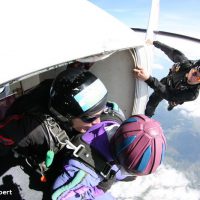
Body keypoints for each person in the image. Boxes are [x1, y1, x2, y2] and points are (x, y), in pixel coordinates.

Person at [0, 64, 125, 181]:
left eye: (101, 113)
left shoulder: (62, 90)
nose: (97, 122)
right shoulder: (31, 129)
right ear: (65, 116)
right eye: (90, 118)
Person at [51, 114, 166, 200]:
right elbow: (59, 196)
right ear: (120, 163)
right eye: (130, 171)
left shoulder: (115, 121)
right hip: (88, 172)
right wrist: (99, 190)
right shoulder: (85, 175)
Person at [133, 40, 200, 117]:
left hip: (175, 94)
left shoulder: (192, 94)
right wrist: (155, 42)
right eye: (195, 73)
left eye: (199, 79)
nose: (194, 78)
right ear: (192, 68)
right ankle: (147, 117)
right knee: (152, 101)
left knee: (173, 101)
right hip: (165, 83)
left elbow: (169, 95)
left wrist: (148, 79)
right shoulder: (184, 64)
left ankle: (171, 105)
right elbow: (171, 52)